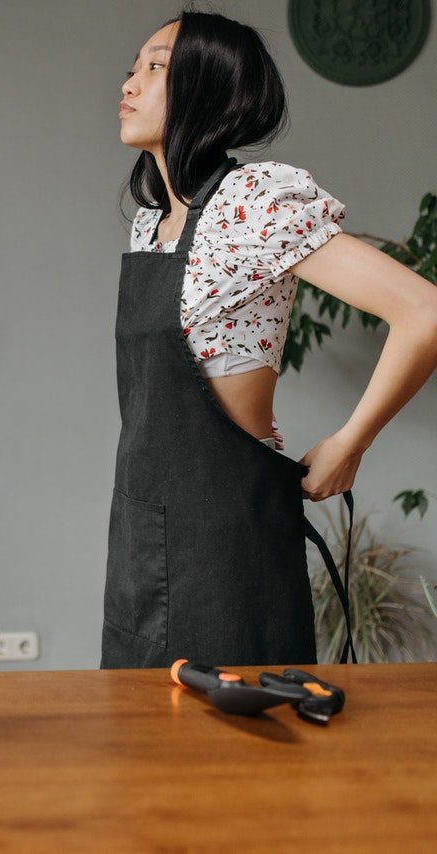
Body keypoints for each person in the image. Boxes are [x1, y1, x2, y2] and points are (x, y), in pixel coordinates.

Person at [102, 9, 437, 669]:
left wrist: (351, 442)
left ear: (209, 88)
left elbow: (424, 310)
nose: (129, 84)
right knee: (137, 728)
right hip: (140, 536)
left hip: (227, 547)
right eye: (132, 67)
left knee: (236, 731)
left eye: (155, 67)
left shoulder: (252, 201)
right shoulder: (150, 225)